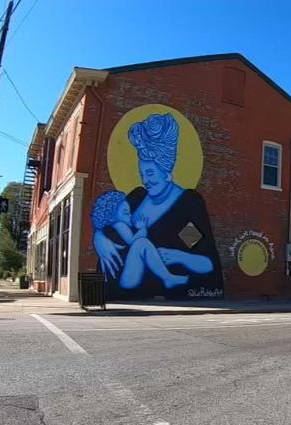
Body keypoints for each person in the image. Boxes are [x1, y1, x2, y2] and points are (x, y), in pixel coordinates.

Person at [92, 113, 223, 298]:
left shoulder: (184, 207)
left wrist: (179, 256)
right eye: (142, 173)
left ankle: (169, 278)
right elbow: (107, 218)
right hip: (115, 290)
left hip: (150, 294)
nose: (145, 180)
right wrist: (99, 238)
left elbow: (206, 262)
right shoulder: (137, 197)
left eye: (151, 174)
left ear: (168, 173)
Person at [91, 190, 188, 290]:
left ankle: (167, 278)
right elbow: (134, 242)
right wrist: (142, 228)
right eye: (126, 213)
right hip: (125, 278)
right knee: (142, 243)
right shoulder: (119, 225)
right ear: (110, 215)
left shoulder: (109, 229)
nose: (130, 215)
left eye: (129, 212)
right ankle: (168, 278)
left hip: (118, 279)